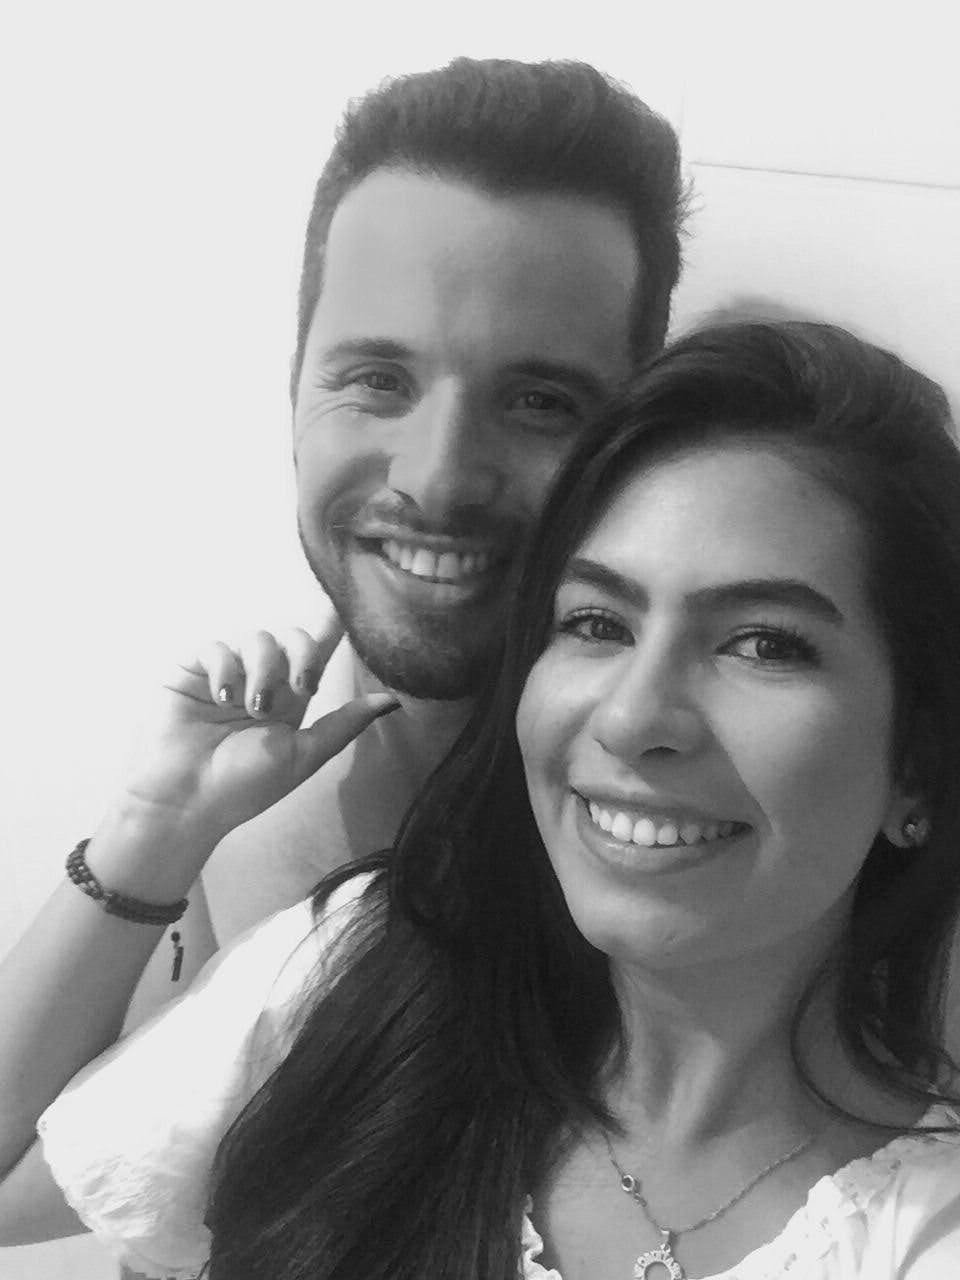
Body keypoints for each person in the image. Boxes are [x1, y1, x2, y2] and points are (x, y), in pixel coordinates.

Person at [3, 319, 960, 1278]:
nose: (632, 718)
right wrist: (157, 830)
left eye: (764, 643)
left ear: (916, 762)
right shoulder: (365, 984)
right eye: (597, 622)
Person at [173, 54, 687, 976]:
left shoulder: (677, 846)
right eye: (378, 379)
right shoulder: (231, 795)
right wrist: (147, 849)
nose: (440, 481)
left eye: (539, 402)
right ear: (295, 387)